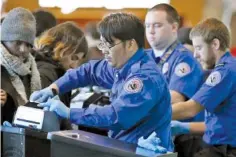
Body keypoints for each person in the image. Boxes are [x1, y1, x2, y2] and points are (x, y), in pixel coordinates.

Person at [30, 12, 173, 151]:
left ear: (130, 45)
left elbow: (116, 116)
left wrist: (69, 113)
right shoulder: (122, 65)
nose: (104, 51)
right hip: (124, 147)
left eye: (109, 45)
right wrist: (54, 88)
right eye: (102, 44)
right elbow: (88, 71)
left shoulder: (143, 78)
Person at [142, 18, 236, 157]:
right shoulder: (228, 67)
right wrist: (182, 127)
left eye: (199, 48)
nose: (195, 55)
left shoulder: (224, 72)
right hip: (219, 144)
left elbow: (190, 109)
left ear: (215, 44)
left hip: (224, 150)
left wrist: (144, 115)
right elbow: (221, 123)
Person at [144, 3, 204, 156]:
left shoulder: (184, 58)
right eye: (147, 26)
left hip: (181, 139)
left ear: (173, 27)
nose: (150, 31)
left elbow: (175, 98)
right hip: (150, 132)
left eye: (157, 25)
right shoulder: (143, 57)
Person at [0, 7, 41, 123]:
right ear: (4, 40)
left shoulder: (32, 69)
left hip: (23, 136)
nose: (23, 49)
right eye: (17, 42)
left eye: (28, 45)